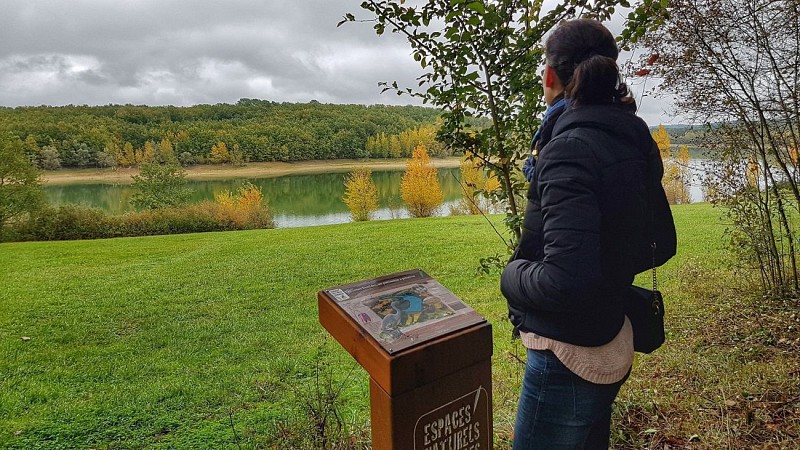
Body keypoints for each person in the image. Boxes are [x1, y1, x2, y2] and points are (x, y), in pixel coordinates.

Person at [500, 19, 676, 449]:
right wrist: (609, 268)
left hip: (569, 352)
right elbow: (660, 242)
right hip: (611, 329)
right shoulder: (631, 135)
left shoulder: (567, 148)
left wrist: (512, 275)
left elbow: (565, 281)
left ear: (549, 76)